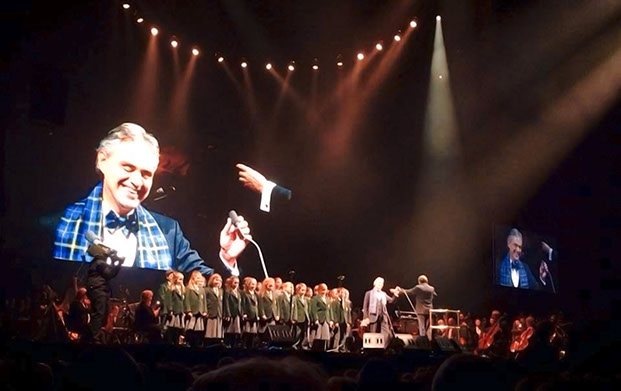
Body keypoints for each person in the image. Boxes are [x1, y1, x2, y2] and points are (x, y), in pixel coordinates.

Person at [53, 123, 252, 276]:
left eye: (146, 174)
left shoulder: (168, 231)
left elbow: (206, 286)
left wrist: (227, 258)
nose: (137, 181)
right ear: (102, 160)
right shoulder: (62, 221)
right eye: (128, 168)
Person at [394, 274, 437, 339]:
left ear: (419, 281)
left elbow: (409, 292)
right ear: (427, 281)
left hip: (421, 310)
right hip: (429, 310)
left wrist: (400, 290)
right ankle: (429, 340)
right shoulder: (432, 288)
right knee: (428, 327)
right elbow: (435, 295)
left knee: (422, 326)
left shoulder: (418, 287)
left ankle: (423, 340)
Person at [362, 277, 396, 342]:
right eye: (379, 283)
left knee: (386, 332)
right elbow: (365, 306)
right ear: (375, 283)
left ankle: (384, 347)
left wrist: (395, 294)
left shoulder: (383, 294)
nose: (381, 284)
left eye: (382, 283)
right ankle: (372, 348)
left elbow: (391, 301)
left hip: (383, 316)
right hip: (373, 315)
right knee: (373, 334)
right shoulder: (369, 293)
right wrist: (365, 317)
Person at [184, 271, 206, 347]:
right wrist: (188, 310)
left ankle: (196, 344)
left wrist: (204, 310)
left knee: (198, 329)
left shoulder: (202, 289)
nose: (200, 279)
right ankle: (188, 342)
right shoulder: (188, 288)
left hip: (200, 312)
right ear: (193, 278)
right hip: (192, 312)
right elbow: (186, 300)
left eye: (200, 278)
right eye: (198, 278)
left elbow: (204, 301)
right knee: (190, 328)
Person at [310, 283, 332, 351]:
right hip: (319, 319)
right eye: (322, 290)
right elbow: (314, 310)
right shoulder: (315, 298)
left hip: (326, 319)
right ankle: (316, 350)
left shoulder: (327, 299)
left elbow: (328, 310)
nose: (324, 291)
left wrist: (330, 320)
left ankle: (323, 350)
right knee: (318, 336)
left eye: (325, 290)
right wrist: (316, 319)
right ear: (319, 290)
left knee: (325, 336)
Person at [223, 276, 242, 348]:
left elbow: (240, 304)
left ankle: (234, 344)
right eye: (235, 282)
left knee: (236, 330)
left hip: (237, 313)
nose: (236, 284)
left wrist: (241, 313)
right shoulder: (228, 292)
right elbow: (227, 303)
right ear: (231, 283)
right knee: (229, 329)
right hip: (231, 313)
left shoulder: (238, 293)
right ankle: (228, 343)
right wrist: (228, 314)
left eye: (237, 283)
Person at [204, 273, 224, 342]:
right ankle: (209, 341)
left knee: (218, 329)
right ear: (212, 280)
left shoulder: (221, 291)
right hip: (211, 311)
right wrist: (206, 310)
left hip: (219, 312)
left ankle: (217, 340)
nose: (217, 282)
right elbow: (204, 301)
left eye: (219, 280)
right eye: (216, 280)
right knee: (210, 329)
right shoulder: (207, 290)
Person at [241, 277, 259, 349]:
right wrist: (244, 313)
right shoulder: (245, 294)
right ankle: (244, 346)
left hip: (254, 316)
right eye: (252, 284)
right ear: (248, 284)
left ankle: (250, 347)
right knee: (246, 332)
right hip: (248, 315)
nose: (253, 286)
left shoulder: (255, 295)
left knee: (252, 333)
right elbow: (243, 304)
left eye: (255, 284)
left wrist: (257, 314)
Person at [291, 283, 309, 349]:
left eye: (304, 290)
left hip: (305, 317)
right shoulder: (295, 298)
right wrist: (294, 318)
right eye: (302, 290)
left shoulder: (306, 299)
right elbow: (294, 308)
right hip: (299, 317)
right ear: (298, 290)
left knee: (304, 332)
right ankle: (295, 344)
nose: (303, 292)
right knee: (298, 332)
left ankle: (303, 345)